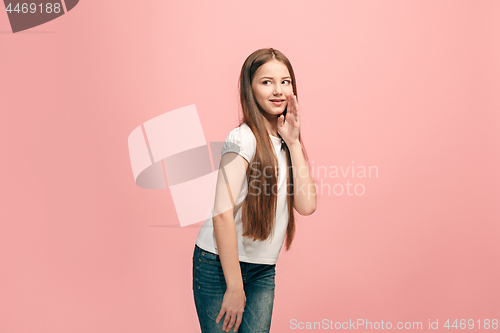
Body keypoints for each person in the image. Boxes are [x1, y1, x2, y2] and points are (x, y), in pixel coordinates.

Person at [193, 48, 317, 333]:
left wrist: (295, 143)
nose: (278, 91)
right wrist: (235, 287)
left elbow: (307, 206)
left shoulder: (285, 141)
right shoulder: (242, 139)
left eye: (285, 82)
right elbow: (221, 214)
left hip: (261, 269)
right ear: (250, 87)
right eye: (267, 82)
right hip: (218, 265)